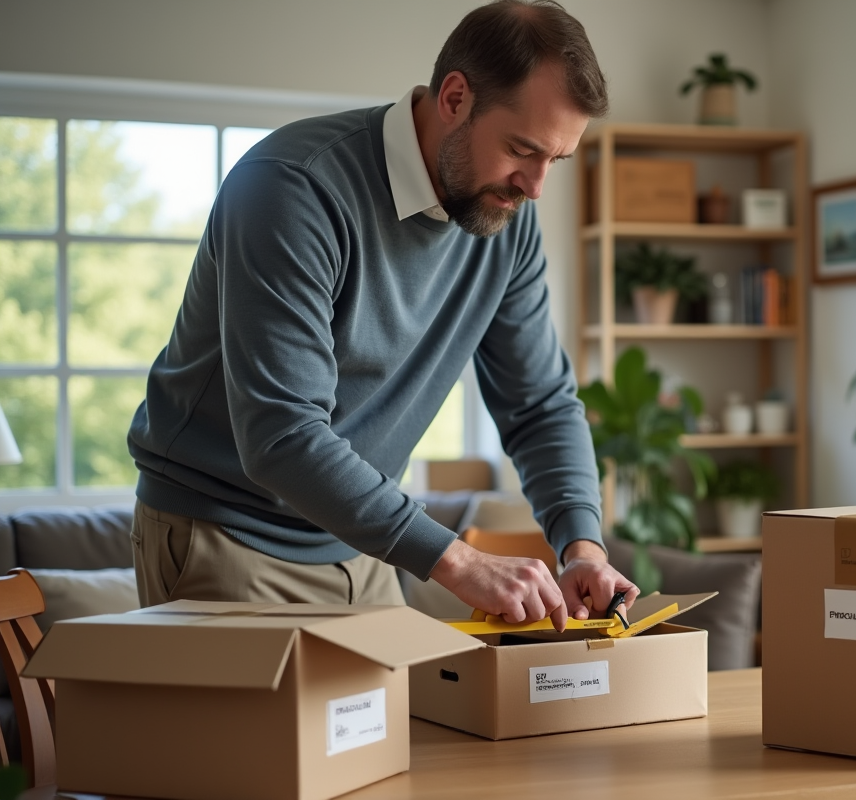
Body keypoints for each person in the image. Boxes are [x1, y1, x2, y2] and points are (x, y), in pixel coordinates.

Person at [126, 0, 637, 630]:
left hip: (363, 549)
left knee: (401, 734)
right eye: (521, 149)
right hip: (227, 539)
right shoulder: (292, 188)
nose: (534, 188)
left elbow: (539, 405)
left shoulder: (507, 222)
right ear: (454, 97)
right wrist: (456, 558)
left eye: (553, 161)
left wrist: (581, 544)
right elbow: (283, 435)